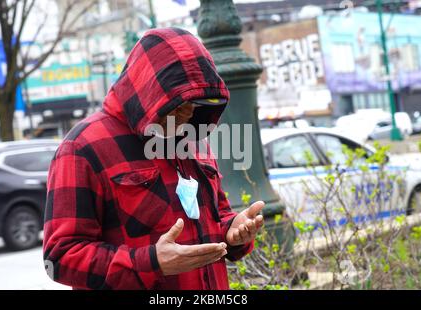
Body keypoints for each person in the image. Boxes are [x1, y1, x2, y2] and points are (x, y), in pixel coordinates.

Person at [43, 27, 264, 290]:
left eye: (195, 103)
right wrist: (151, 262)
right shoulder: (83, 146)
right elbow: (60, 256)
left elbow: (216, 214)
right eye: (177, 104)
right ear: (148, 93)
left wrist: (233, 230)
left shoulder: (193, 138)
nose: (187, 114)